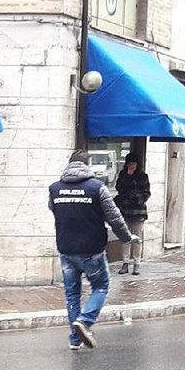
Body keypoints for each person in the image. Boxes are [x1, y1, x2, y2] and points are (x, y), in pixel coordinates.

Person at [48, 150, 138, 350]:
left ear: (70, 165)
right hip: (91, 249)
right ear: (86, 166)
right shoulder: (96, 188)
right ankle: (85, 321)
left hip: (66, 248)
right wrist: (126, 238)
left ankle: (75, 339)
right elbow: (114, 217)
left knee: (72, 294)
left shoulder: (55, 189)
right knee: (101, 286)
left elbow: (54, 210)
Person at [113, 152, 150, 276]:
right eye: (129, 163)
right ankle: (125, 262)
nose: (132, 166)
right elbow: (119, 189)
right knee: (125, 237)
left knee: (137, 238)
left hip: (138, 212)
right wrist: (127, 178)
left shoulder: (143, 176)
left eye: (134, 163)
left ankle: (136, 263)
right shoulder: (123, 175)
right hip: (125, 210)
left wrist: (136, 197)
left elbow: (146, 193)